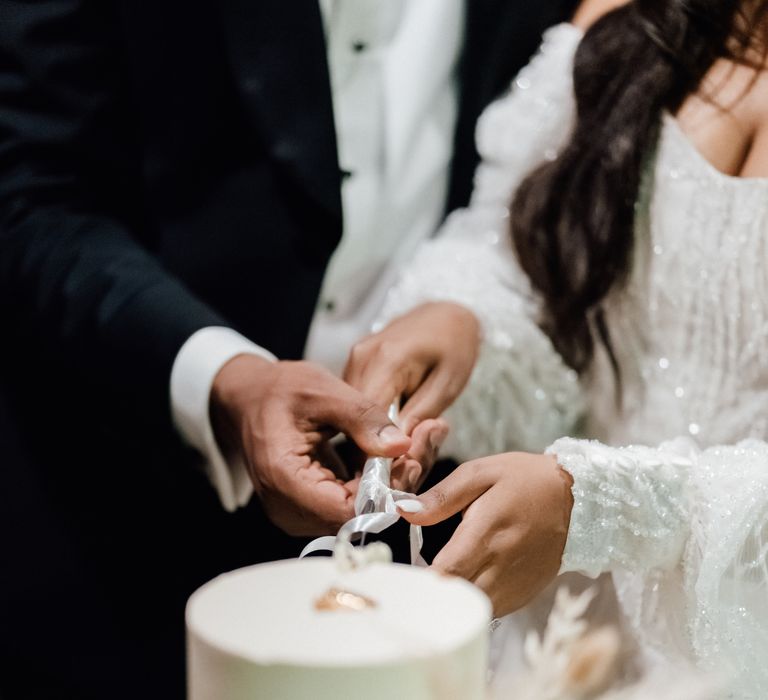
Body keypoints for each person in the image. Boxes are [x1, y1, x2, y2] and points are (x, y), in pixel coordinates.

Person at [0, 1, 578, 698]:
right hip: (117, 519)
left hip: (425, 547)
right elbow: (33, 190)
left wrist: (465, 311)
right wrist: (226, 379)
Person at [344, 0, 768, 693]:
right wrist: (464, 321)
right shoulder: (630, 12)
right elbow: (511, 248)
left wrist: (605, 509)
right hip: (564, 615)